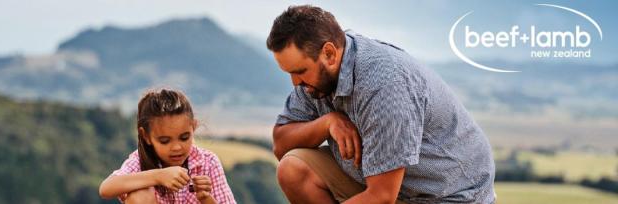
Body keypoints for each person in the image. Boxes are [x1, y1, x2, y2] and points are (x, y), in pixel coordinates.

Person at [267, 5, 495, 203]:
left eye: (300, 71)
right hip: (383, 189)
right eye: (289, 73)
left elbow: (381, 197)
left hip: (446, 198)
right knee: (293, 169)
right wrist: (327, 123)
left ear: (329, 54)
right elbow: (281, 144)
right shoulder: (314, 82)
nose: (295, 83)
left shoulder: (384, 83)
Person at [99, 88, 236, 204]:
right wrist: (158, 176)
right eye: (165, 141)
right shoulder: (139, 162)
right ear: (146, 136)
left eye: (184, 138)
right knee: (139, 194)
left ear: (193, 127)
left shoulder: (207, 162)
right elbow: (106, 188)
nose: (177, 147)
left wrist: (206, 198)